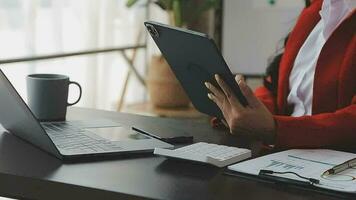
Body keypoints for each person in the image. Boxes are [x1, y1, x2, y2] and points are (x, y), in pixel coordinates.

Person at [205, 0, 356, 149]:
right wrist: (247, 110)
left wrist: (275, 128)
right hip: (280, 154)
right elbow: (276, 87)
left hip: (330, 164)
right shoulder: (316, 12)